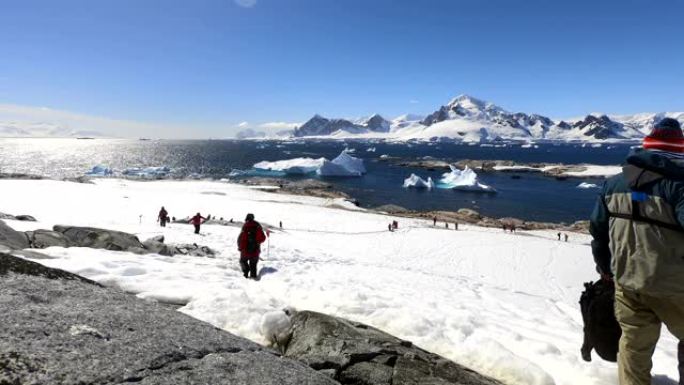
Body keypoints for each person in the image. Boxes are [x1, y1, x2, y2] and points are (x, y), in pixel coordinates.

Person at [590, 118, 684, 385]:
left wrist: (607, 270)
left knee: (633, 347)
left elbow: (598, 232)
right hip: (675, 286)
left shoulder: (614, 185)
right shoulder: (678, 187)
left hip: (628, 283)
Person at [237, 213, 267, 279]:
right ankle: (253, 280)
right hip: (255, 250)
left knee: (243, 261)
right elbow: (262, 238)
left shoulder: (245, 226)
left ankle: (246, 273)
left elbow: (240, 238)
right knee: (253, 265)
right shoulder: (257, 225)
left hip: (245, 250)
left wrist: (240, 247)